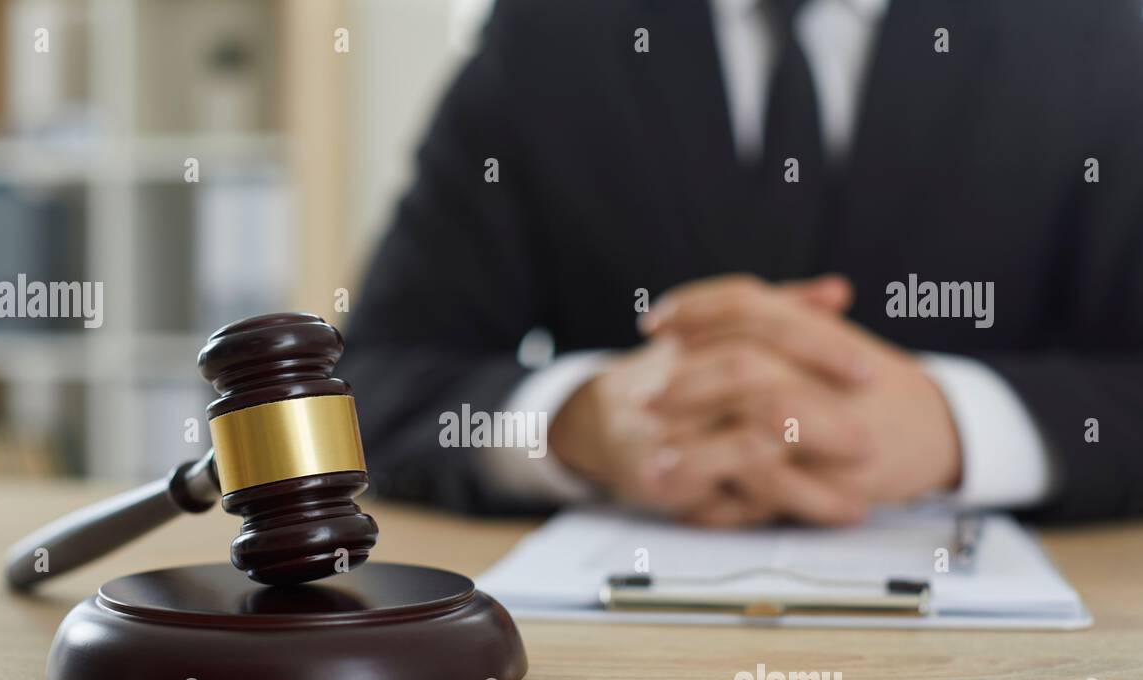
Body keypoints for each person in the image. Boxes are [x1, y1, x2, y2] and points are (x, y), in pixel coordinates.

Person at [338, 0, 1143, 526]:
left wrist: (957, 424)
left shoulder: (1101, 35)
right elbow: (374, 378)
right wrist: (578, 420)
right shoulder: (544, 36)